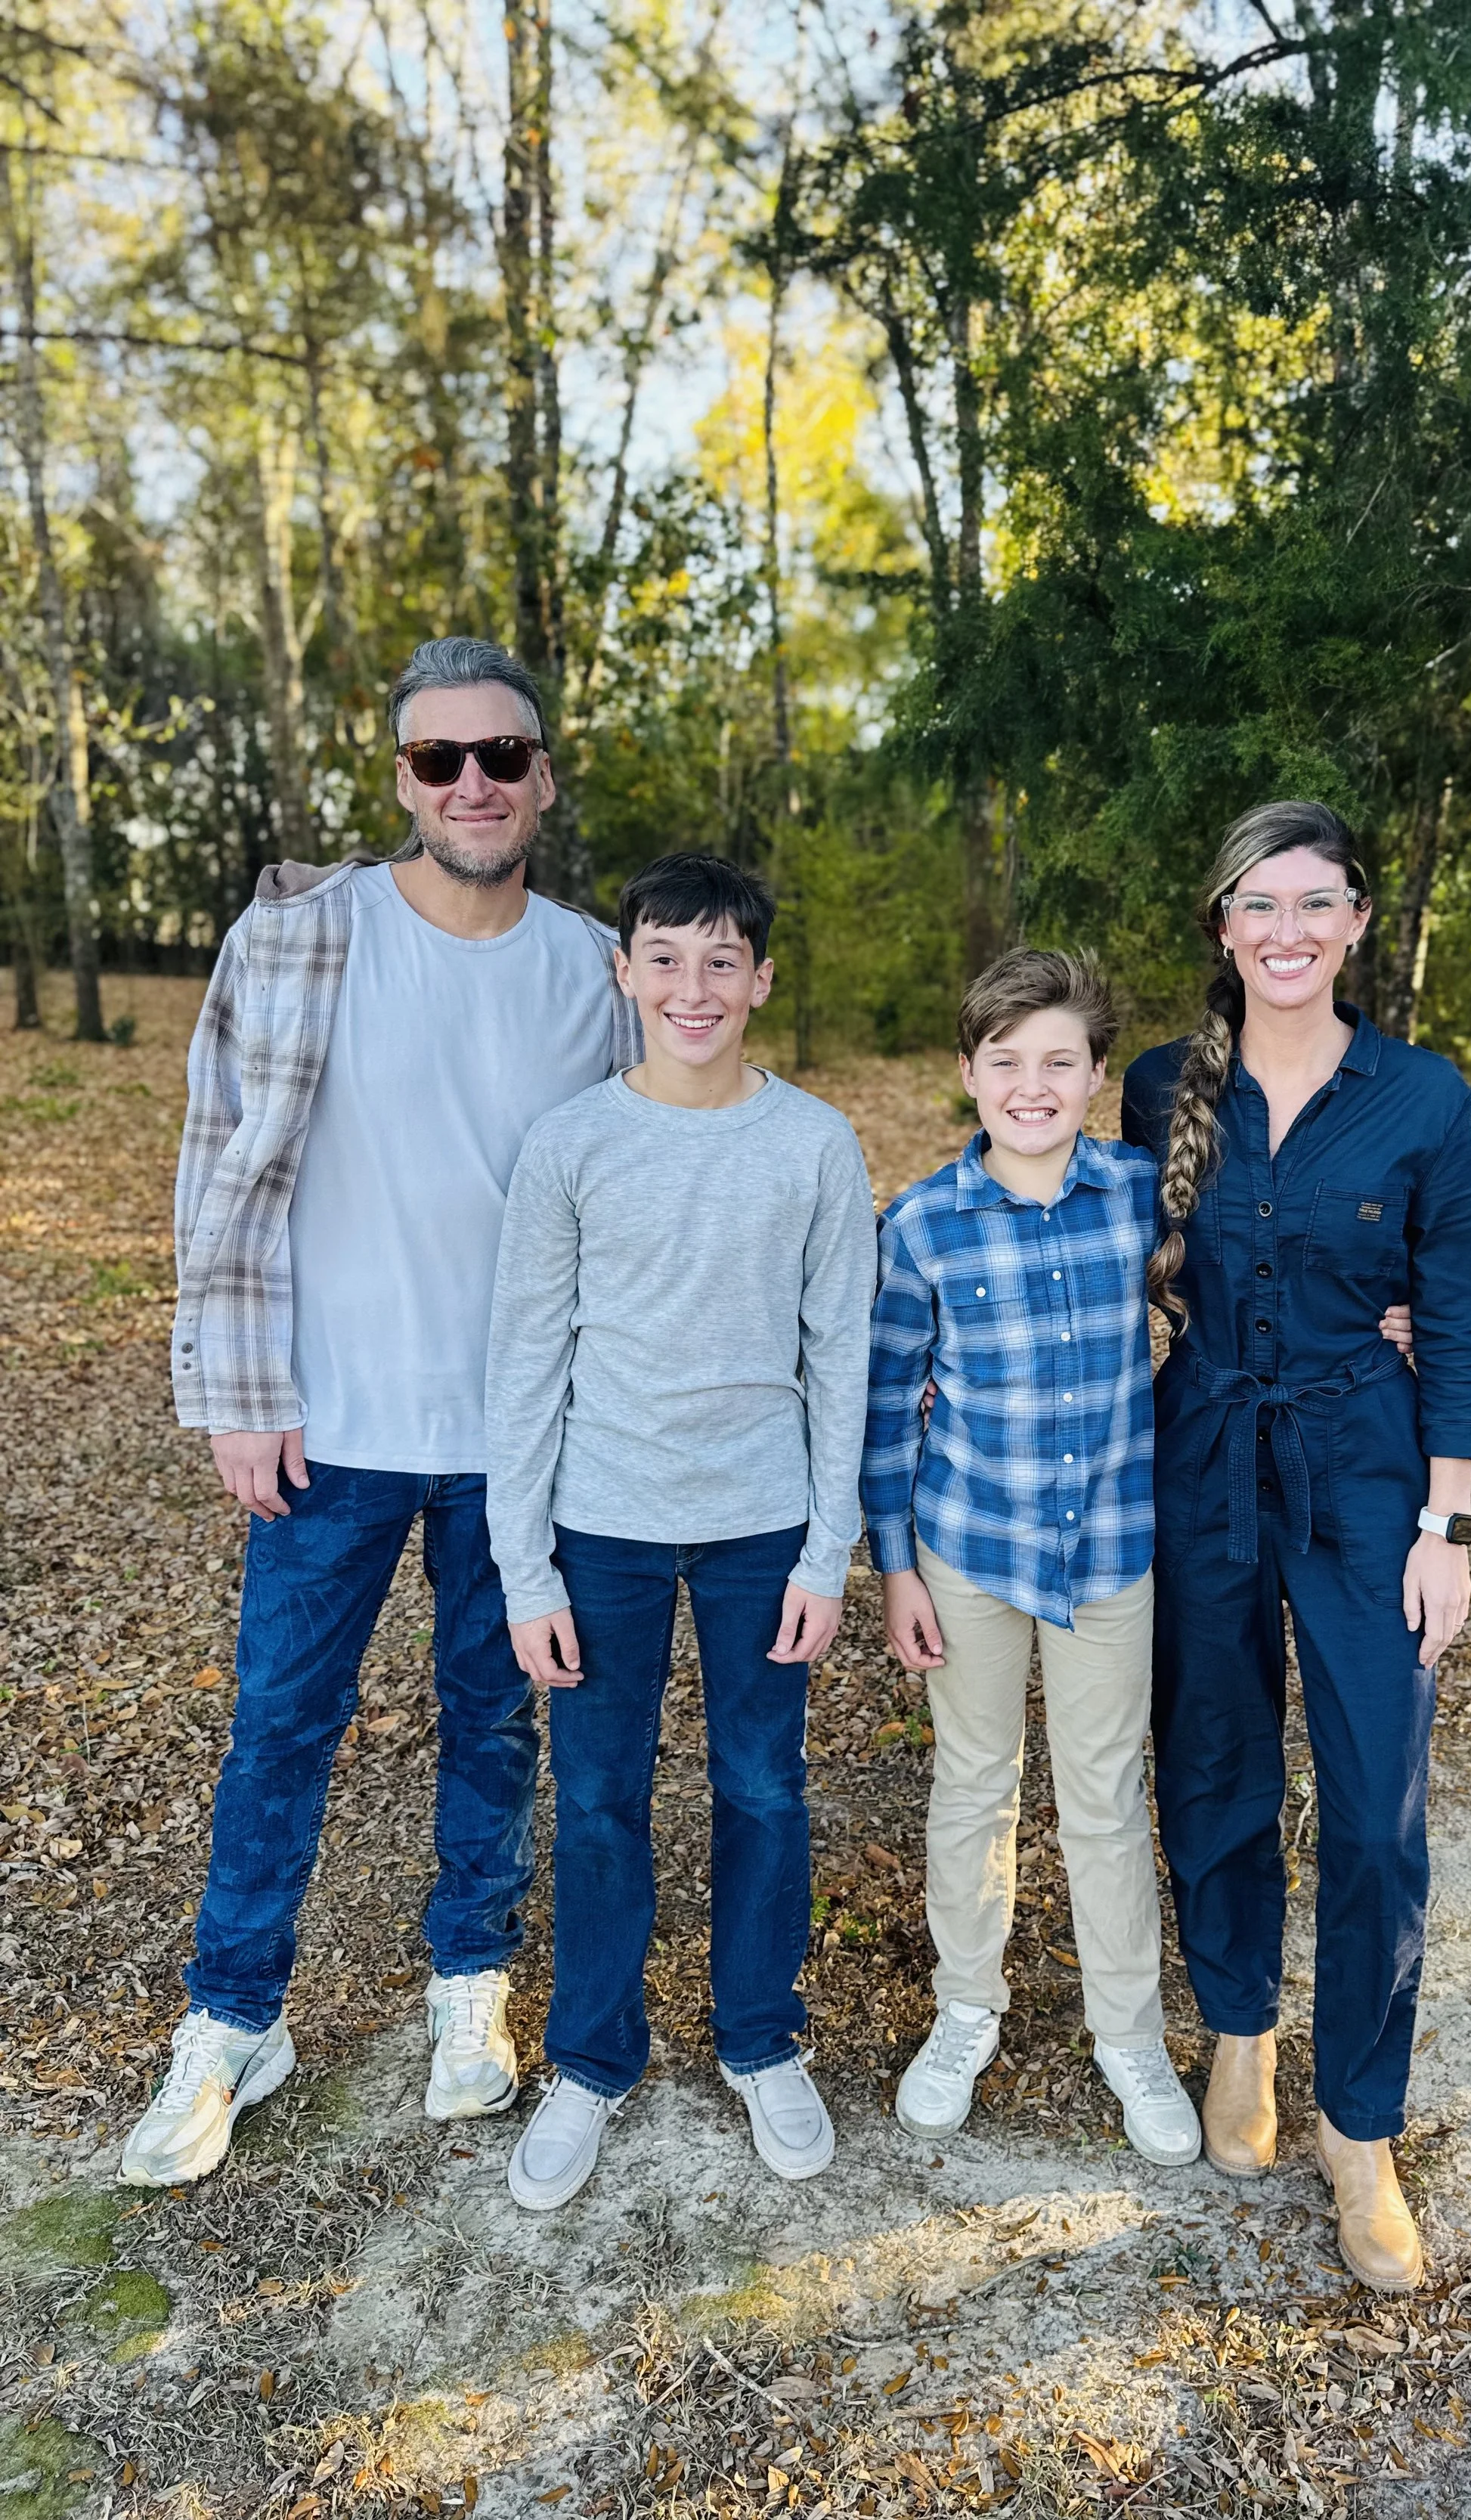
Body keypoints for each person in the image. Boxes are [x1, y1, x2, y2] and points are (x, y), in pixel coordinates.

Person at [123, 638, 640, 2190]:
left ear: (542, 778)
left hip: (519, 1435)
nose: (471, 783)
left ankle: (467, 1991)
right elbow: (221, 1166)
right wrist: (231, 1387)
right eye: (439, 760)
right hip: (329, 1424)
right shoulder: (300, 936)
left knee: (495, 1720)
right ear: (400, 778)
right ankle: (233, 2021)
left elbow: (640, 1183)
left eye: (501, 756)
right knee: (284, 1720)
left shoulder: (599, 964)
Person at [1120, 801, 1471, 2292]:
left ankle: (1359, 2121)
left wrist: (1445, 1518)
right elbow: (1060, 1207)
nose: (1283, 930)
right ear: (1219, 928)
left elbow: (1460, 1306)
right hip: (1197, 1449)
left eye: (1313, 904)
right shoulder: (1161, 1089)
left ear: (1352, 923)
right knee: (1210, 1758)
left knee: (1370, 1807)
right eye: (1253, 904)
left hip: (1364, 1466)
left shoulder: (1418, 1097)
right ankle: (1237, 2037)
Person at [485, 851, 875, 2210]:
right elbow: (527, 1363)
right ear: (626, 973)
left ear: (761, 980)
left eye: (722, 962)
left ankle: (762, 2038)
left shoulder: (817, 1143)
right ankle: (591, 2058)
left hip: (763, 1529)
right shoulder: (573, 1145)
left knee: (762, 1790)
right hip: (603, 1532)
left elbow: (844, 1361)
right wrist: (523, 1564)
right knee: (597, 1800)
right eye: (666, 959)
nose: (693, 988)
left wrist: (831, 1554)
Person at [866, 949, 1202, 2167]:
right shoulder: (923, 1225)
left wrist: (1388, 1310)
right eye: (1005, 1060)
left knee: (1107, 1797)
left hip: (1111, 1549)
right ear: (967, 1073)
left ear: (1098, 1075)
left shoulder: (1139, 1196)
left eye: (1060, 1060)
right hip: (969, 1548)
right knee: (974, 1783)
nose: (1033, 1082)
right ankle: (968, 2010)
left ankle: (1129, 2035)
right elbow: (885, 1400)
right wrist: (895, 1564)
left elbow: (1242, 1293)